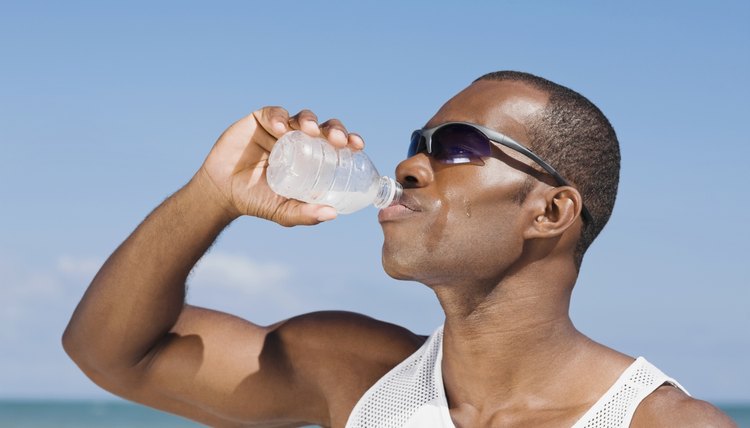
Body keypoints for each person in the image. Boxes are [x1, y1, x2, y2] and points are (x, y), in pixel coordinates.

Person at [62, 71, 735, 427]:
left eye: (458, 147)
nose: (412, 165)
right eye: (418, 143)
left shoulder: (659, 425)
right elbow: (113, 352)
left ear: (551, 210)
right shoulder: (354, 376)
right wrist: (210, 193)